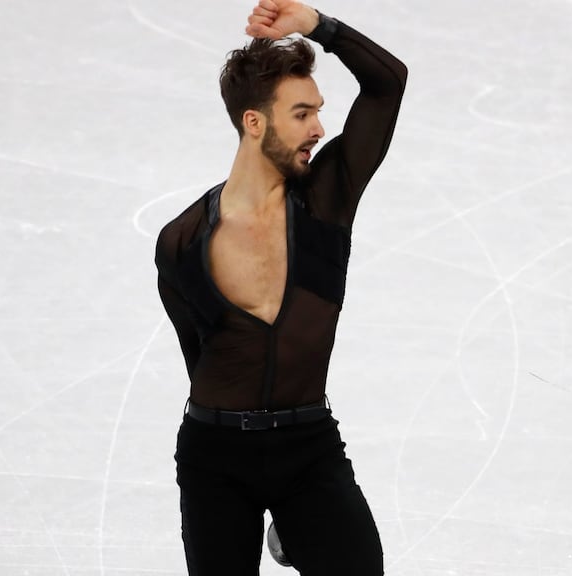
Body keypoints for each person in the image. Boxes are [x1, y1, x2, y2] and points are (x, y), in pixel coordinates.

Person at [153, 0, 407, 573]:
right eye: (302, 114)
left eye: (318, 112)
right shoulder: (182, 241)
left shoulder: (326, 201)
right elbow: (200, 354)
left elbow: (388, 85)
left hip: (308, 446)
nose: (319, 128)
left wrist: (319, 26)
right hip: (214, 457)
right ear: (254, 121)